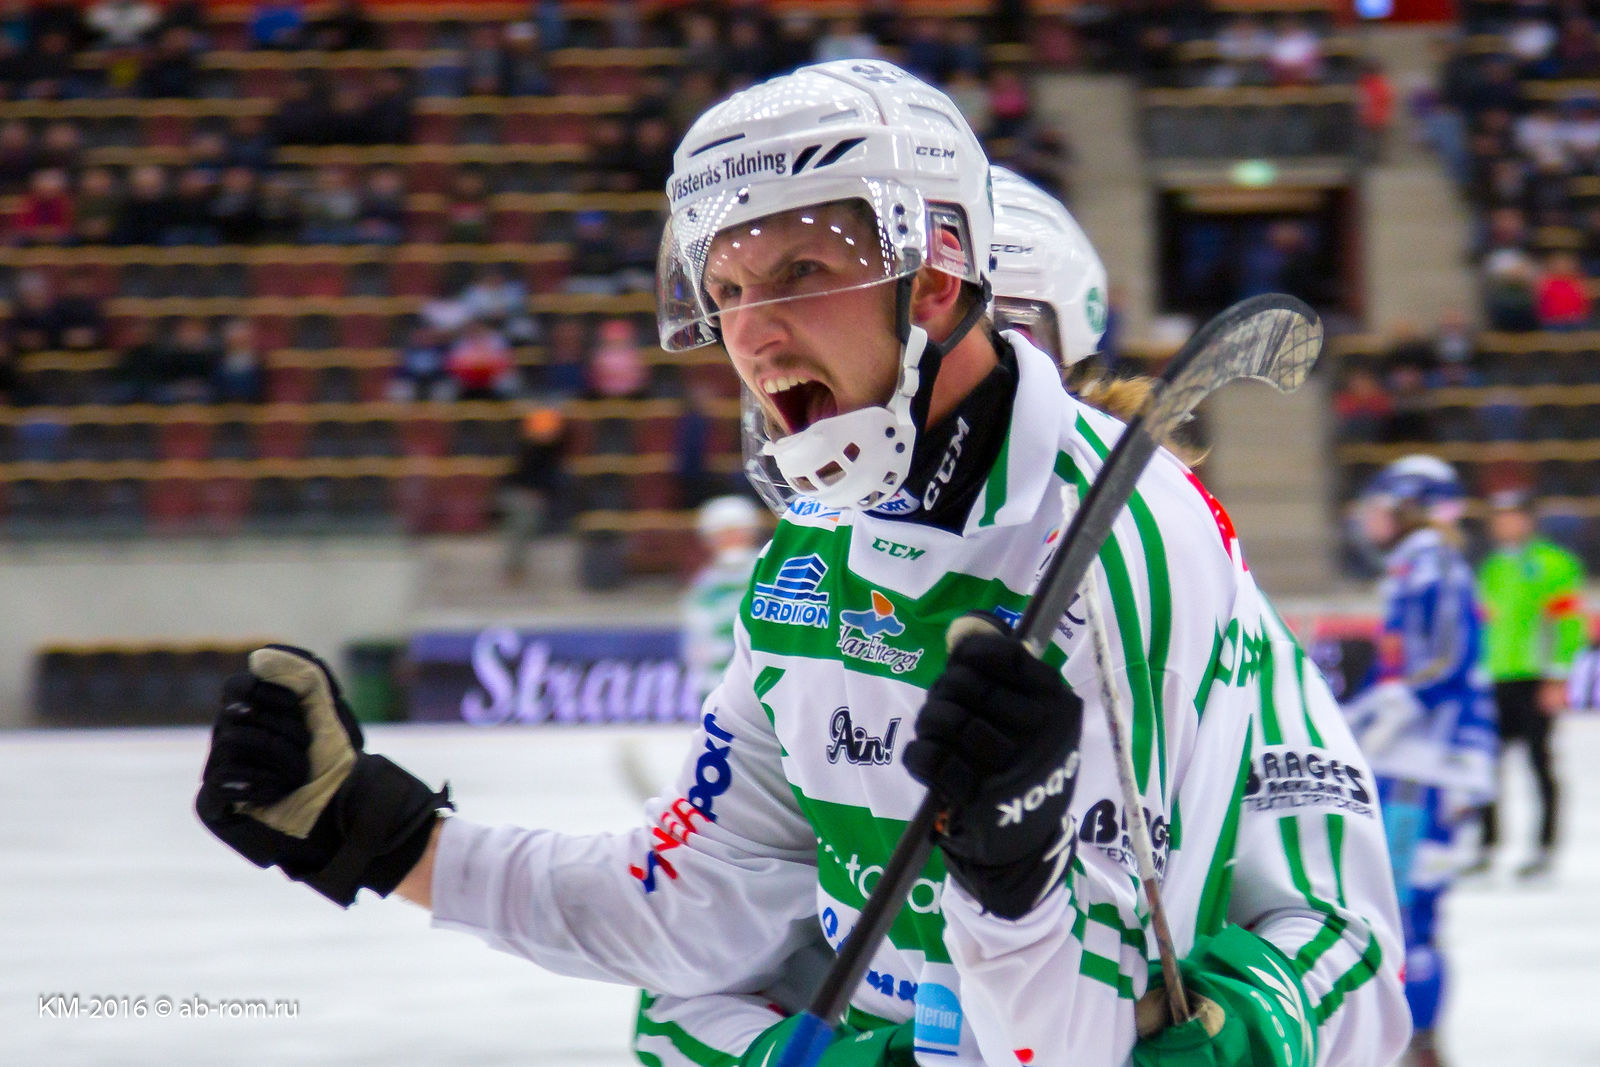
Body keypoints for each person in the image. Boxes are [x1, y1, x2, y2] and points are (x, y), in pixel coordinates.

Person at [196, 62, 1407, 1067]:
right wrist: (378, 831)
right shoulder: (812, 549)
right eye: (724, 289)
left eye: (800, 274)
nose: (749, 333)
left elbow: (1122, 1025)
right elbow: (696, 901)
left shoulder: (1123, 551)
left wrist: (1018, 892)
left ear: (941, 282)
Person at [1342, 455, 1497, 1067]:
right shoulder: (1416, 566)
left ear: (1410, 508)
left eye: (1382, 507)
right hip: (1418, 762)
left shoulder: (1435, 564)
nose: (1370, 520)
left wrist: (1393, 706)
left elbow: (1448, 660)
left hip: (1428, 766)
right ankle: (1415, 1042)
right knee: (1401, 906)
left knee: (1406, 907)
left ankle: (1420, 1044)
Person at [1467, 489, 1586, 880]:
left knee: (1539, 762)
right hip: (1496, 678)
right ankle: (1488, 843)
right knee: (1486, 765)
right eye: (1499, 517)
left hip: (1535, 677)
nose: (1504, 524)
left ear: (1529, 520)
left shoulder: (1553, 564)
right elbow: (1484, 624)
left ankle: (1544, 847)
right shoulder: (1492, 567)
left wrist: (1558, 676)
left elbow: (1568, 624)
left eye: (1512, 516)